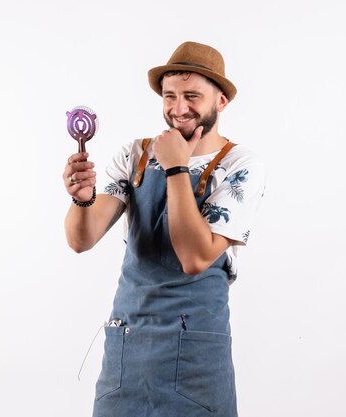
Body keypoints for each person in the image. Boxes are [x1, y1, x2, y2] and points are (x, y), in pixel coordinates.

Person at [63, 41, 265, 417]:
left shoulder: (240, 165)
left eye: (192, 96)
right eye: (169, 96)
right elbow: (81, 239)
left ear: (221, 102)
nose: (178, 108)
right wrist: (81, 198)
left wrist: (176, 168)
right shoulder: (134, 155)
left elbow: (195, 257)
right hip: (128, 347)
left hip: (196, 356)